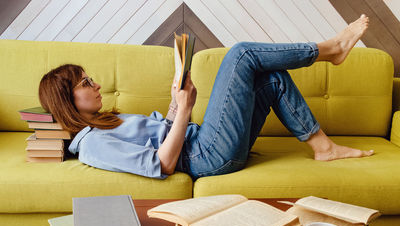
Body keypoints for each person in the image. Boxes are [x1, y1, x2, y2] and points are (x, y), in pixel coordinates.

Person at [39, 15, 373, 180]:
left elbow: (165, 132)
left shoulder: (107, 122)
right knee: (241, 55)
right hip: (204, 157)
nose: (95, 85)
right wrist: (185, 110)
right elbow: (164, 164)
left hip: (204, 145)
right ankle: (332, 49)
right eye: (86, 82)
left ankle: (323, 148)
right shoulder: (94, 146)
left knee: (270, 77)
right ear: (69, 101)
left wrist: (175, 99)